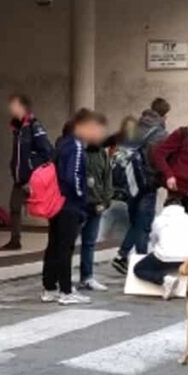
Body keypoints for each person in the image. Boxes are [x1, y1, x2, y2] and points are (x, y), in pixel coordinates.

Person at [42, 109, 106, 305]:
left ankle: (49, 287)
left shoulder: (62, 144)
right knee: (65, 247)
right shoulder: (76, 147)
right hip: (69, 203)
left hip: (56, 201)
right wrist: (81, 197)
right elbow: (73, 177)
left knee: (54, 245)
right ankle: (66, 291)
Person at [111, 98, 170, 274]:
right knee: (144, 225)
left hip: (130, 184)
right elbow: (159, 160)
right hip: (147, 184)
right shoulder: (160, 134)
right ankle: (142, 265)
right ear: (164, 115)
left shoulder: (135, 128)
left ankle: (122, 256)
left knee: (136, 222)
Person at [0, 94, 54, 251]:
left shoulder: (33, 127)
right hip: (19, 178)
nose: (11, 108)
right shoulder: (17, 128)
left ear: (22, 107)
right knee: (14, 208)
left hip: (33, 178)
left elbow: (47, 151)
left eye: (14, 105)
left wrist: (36, 171)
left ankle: (55, 241)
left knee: (46, 208)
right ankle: (15, 241)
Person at [133, 198, 188, 299]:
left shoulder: (159, 220)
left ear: (165, 207)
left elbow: (153, 240)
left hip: (165, 257)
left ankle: (164, 279)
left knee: (139, 269)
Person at [152, 99, 188, 215]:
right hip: (177, 191)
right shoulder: (181, 134)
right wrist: (169, 175)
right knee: (172, 227)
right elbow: (158, 154)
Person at [78, 114, 112, 292]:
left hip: (97, 206)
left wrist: (105, 202)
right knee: (68, 243)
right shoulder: (78, 151)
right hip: (80, 205)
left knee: (89, 243)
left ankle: (87, 276)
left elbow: (108, 179)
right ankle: (64, 280)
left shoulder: (102, 154)